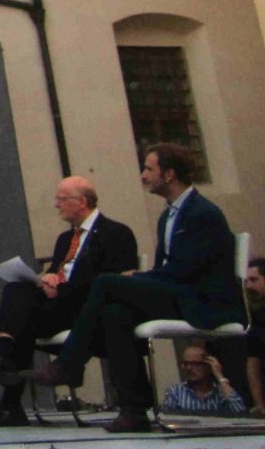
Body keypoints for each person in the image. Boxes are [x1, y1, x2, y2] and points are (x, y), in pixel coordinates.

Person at [22, 143, 248, 434]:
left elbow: (185, 271)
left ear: (168, 175)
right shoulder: (169, 215)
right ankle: (134, 409)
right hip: (180, 293)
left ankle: (69, 364)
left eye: (148, 169)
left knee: (106, 283)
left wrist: (140, 277)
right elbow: (173, 271)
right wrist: (142, 277)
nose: (143, 175)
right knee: (116, 314)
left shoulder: (202, 214)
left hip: (202, 302)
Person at [0, 175, 138, 427]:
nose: (57, 204)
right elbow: (59, 271)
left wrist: (62, 288)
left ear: (82, 202)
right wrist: (48, 279)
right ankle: (5, 359)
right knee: (17, 290)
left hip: (87, 310)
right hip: (57, 306)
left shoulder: (116, 233)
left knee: (21, 317)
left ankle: (8, 388)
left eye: (62, 199)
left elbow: (112, 282)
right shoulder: (64, 239)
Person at [161, 339, 246, 415]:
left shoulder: (221, 392)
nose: (189, 368)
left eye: (196, 364)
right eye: (186, 364)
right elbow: (166, 421)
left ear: (209, 366)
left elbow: (241, 413)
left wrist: (220, 377)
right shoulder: (175, 392)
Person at [245, 257, 264, 416]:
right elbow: (253, 363)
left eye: (253, 280)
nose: (248, 286)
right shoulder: (256, 317)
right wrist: (259, 404)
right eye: (246, 281)